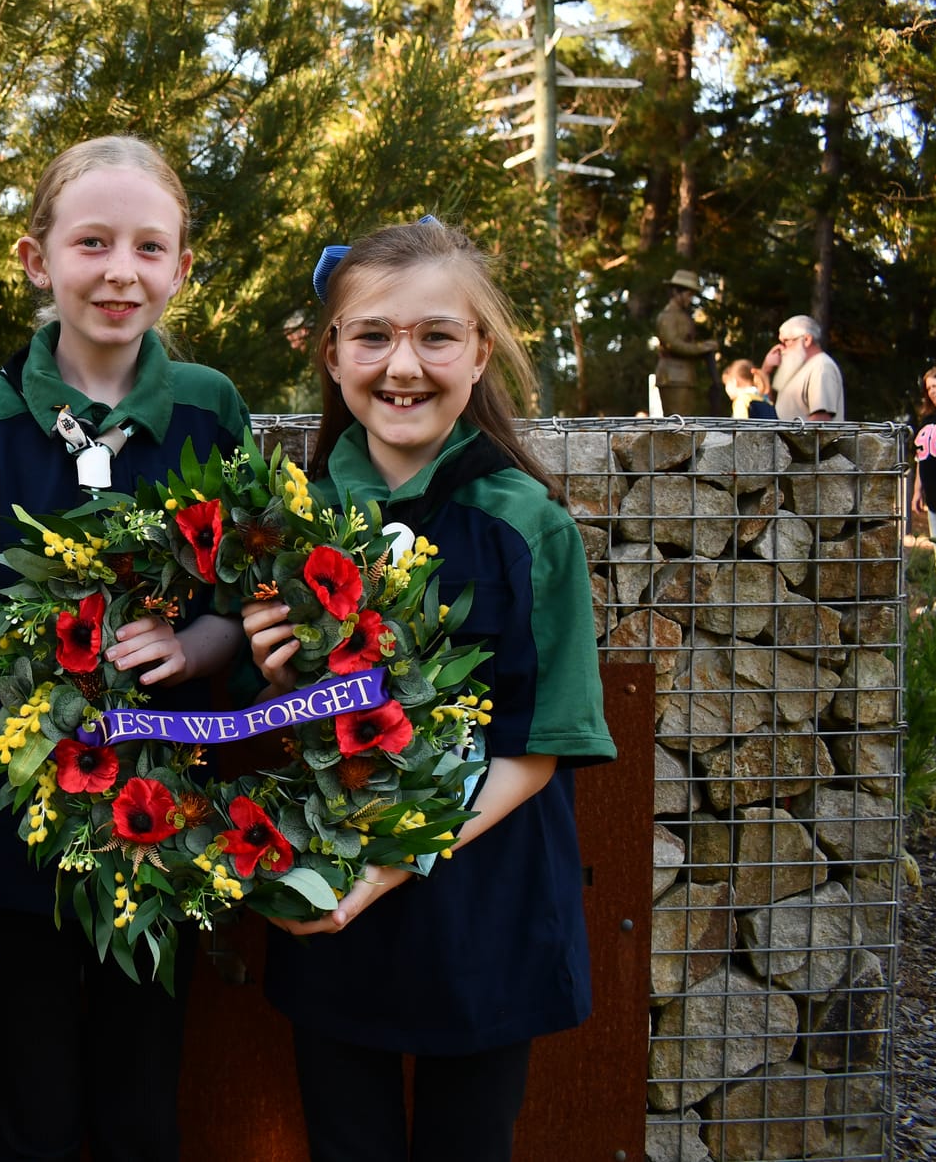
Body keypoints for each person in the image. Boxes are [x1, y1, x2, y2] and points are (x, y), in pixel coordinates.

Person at [0, 136, 251, 1161]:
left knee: (140, 1110)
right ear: (34, 257)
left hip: (164, 828)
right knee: (31, 1114)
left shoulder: (208, 408)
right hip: (14, 839)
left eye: (149, 247)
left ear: (181, 268)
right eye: (90, 241)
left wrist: (193, 647)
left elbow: (249, 597)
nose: (118, 270)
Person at [241, 217, 617, 1162]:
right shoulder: (298, 515)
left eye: (436, 335)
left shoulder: (530, 529)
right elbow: (309, 721)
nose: (402, 364)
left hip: (478, 909)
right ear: (331, 355)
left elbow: (537, 749)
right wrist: (278, 670)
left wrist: (388, 866)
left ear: (480, 351)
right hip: (334, 905)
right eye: (373, 335)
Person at [653, 268, 718, 417]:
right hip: (673, 377)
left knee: (686, 423)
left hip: (685, 376)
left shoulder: (682, 316)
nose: (690, 299)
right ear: (676, 292)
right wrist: (703, 347)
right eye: (688, 294)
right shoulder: (667, 316)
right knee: (677, 424)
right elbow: (673, 344)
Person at [762, 314, 844, 421]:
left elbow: (821, 421)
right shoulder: (796, 368)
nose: (781, 348)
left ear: (806, 340)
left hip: (806, 438)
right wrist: (765, 371)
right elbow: (771, 409)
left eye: (786, 341)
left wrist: (791, 437)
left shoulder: (821, 367)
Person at [913, 366, 936, 542]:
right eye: (928, 388)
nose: (932, 392)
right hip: (934, 497)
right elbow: (921, 457)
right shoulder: (927, 421)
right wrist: (917, 490)